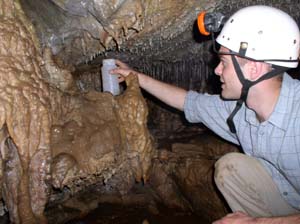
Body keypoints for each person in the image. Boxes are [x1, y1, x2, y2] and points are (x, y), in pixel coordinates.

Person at [111, 5, 300, 224]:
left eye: (224, 63)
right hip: (290, 198)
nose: (217, 70)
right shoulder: (240, 111)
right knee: (231, 169)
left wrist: (256, 222)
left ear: (253, 70)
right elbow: (188, 102)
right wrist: (135, 78)